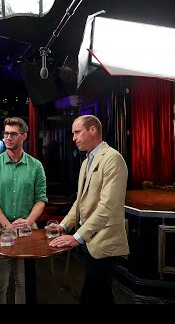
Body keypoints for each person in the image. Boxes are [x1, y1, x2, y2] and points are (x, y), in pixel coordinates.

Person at [49, 114, 129, 305]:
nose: (74, 138)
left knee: (91, 297)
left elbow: (107, 206)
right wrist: (63, 226)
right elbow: (80, 201)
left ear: (92, 130)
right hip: (90, 241)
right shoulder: (86, 161)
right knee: (103, 297)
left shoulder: (113, 158)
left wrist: (76, 237)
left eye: (77, 132)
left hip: (105, 243)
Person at [0, 117, 48, 304]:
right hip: (0, 230)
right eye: (6, 134)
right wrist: (7, 225)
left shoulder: (36, 166)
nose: (8, 138)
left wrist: (27, 221)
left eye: (13, 134)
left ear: (24, 136)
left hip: (28, 231)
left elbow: (41, 199)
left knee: (23, 283)